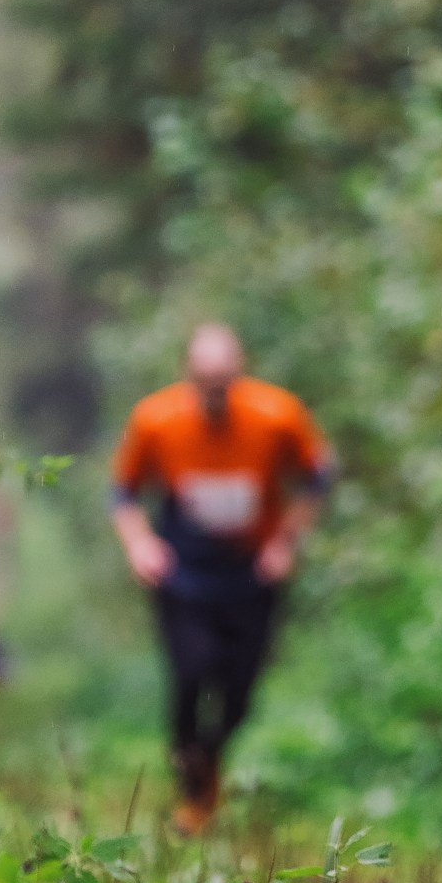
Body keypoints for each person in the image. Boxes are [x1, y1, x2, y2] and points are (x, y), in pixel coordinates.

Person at [110, 324, 332, 833]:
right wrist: (140, 544)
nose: (214, 391)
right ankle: (191, 792)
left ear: (239, 373)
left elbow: (316, 477)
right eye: (204, 380)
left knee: (240, 689)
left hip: (251, 572)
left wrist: (285, 543)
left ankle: (207, 764)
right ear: (188, 375)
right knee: (192, 673)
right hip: (185, 573)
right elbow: (123, 493)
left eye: (222, 380)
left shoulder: (277, 414)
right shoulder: (156, 418)